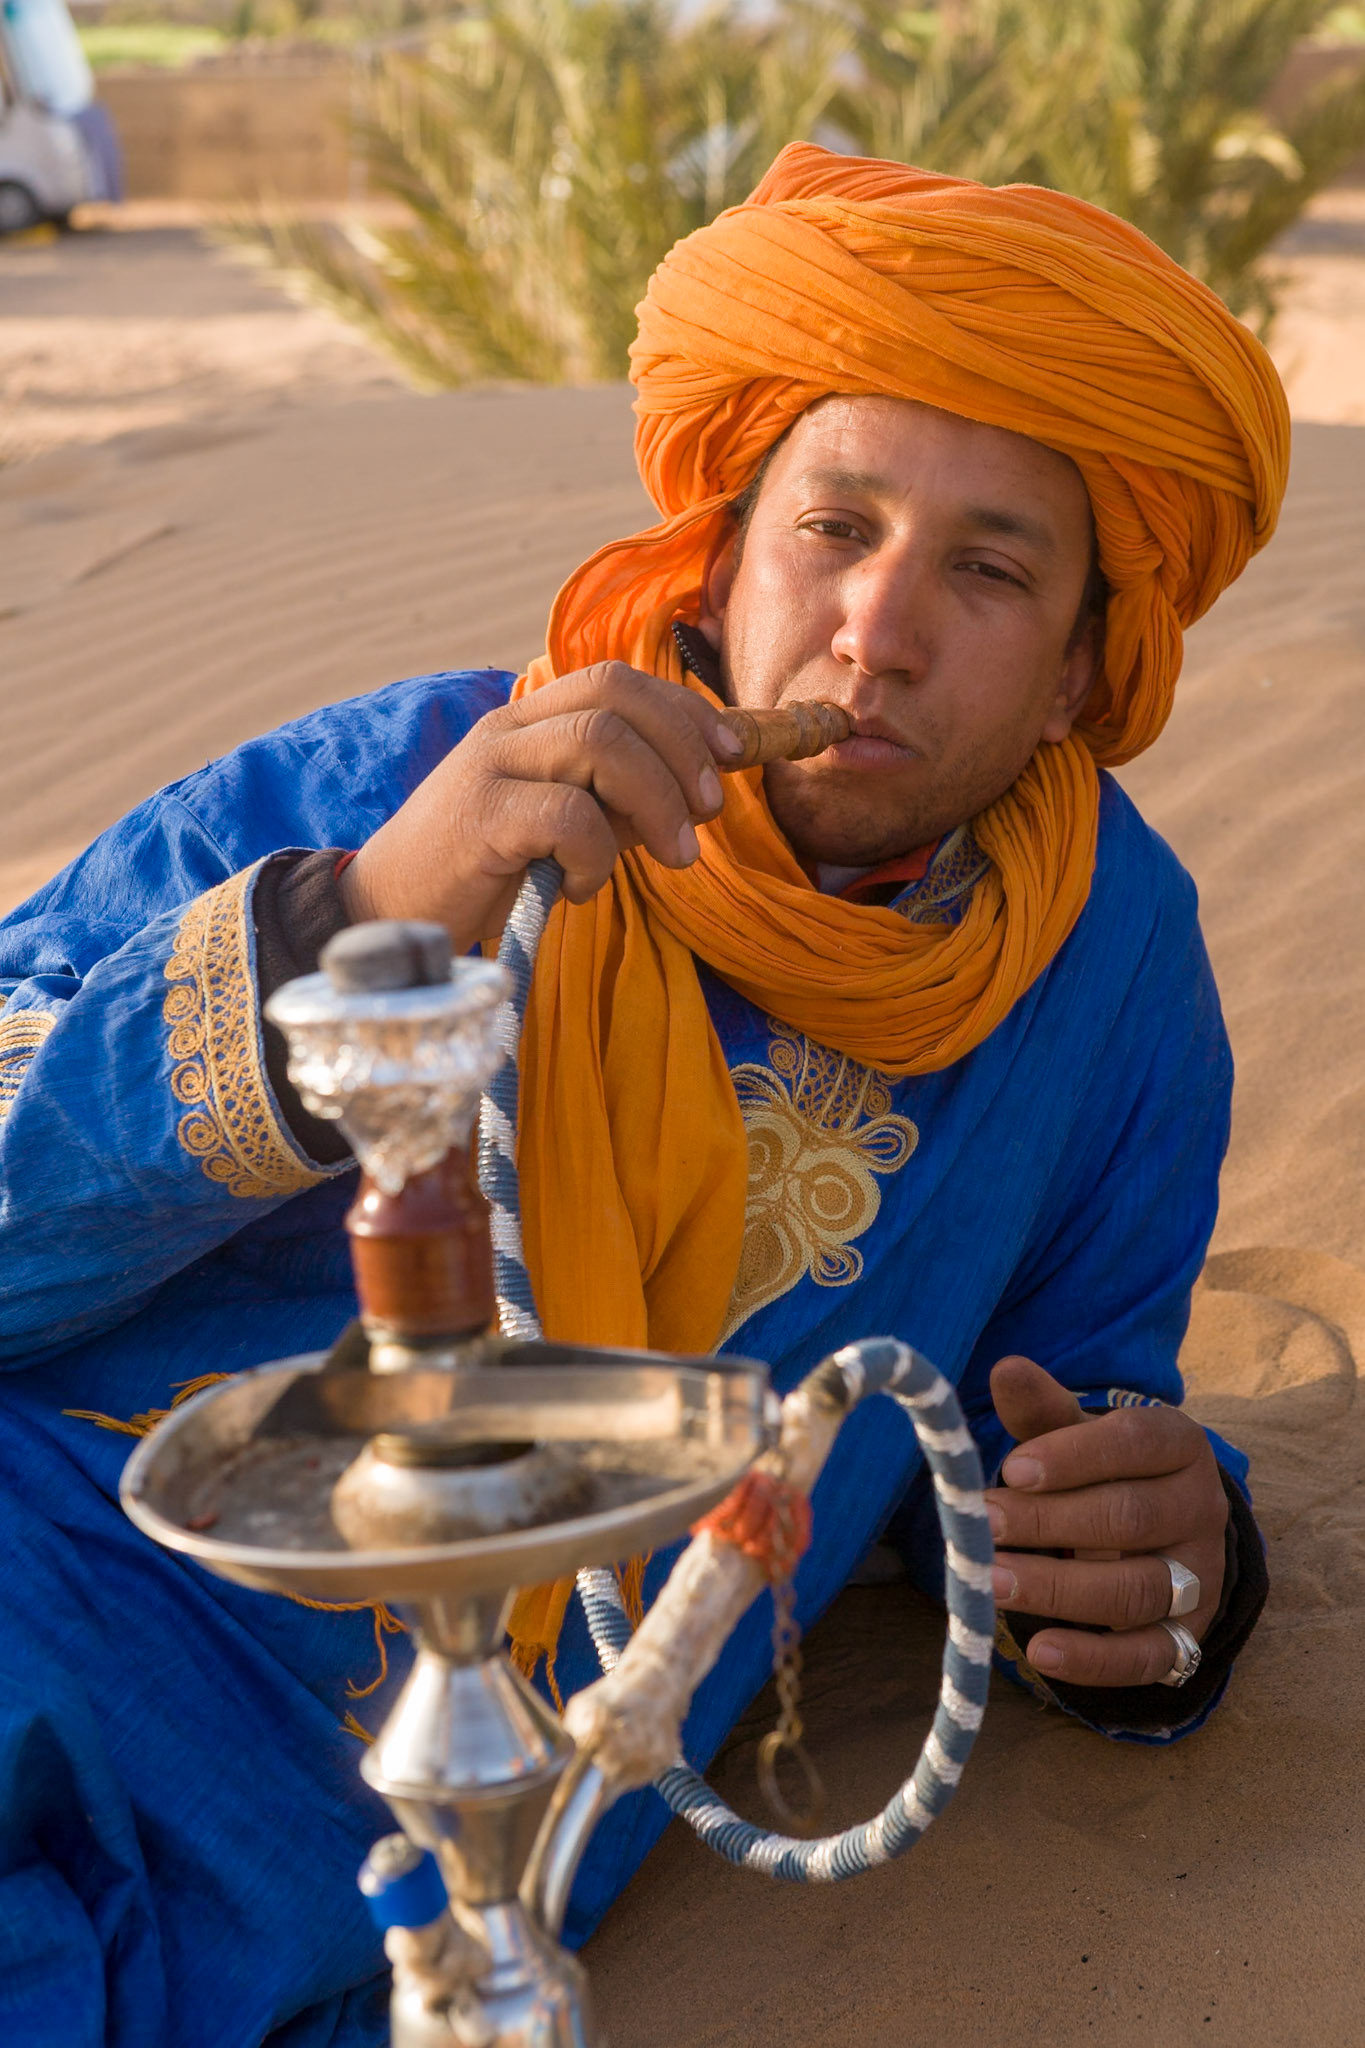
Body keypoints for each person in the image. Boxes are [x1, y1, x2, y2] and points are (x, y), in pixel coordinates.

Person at [0, 143, 1284, 2044]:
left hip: (380, 1876)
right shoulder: (412, 784)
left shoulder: (1107, 981)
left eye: (989, 569)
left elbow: (1043, 1439)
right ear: (725, 549)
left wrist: (1170, 1564)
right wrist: (356, 923)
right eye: (831, 529)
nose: (875, 631)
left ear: (1091, 659)